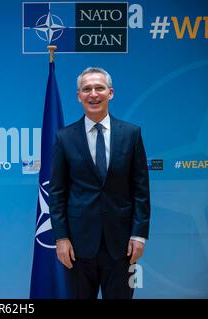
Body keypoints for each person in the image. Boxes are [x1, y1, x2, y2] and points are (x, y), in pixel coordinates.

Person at [49, 67, 150, 299]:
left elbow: (141, 189)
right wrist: (61, 238)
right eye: (87, 89)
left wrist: (139, 235)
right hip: (78, 245)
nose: (93, 94)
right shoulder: (64, 138)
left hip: (122, 244)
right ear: (78, 96)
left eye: (99, 88)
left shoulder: (131, 134)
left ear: (110, 93)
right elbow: (57, 192)